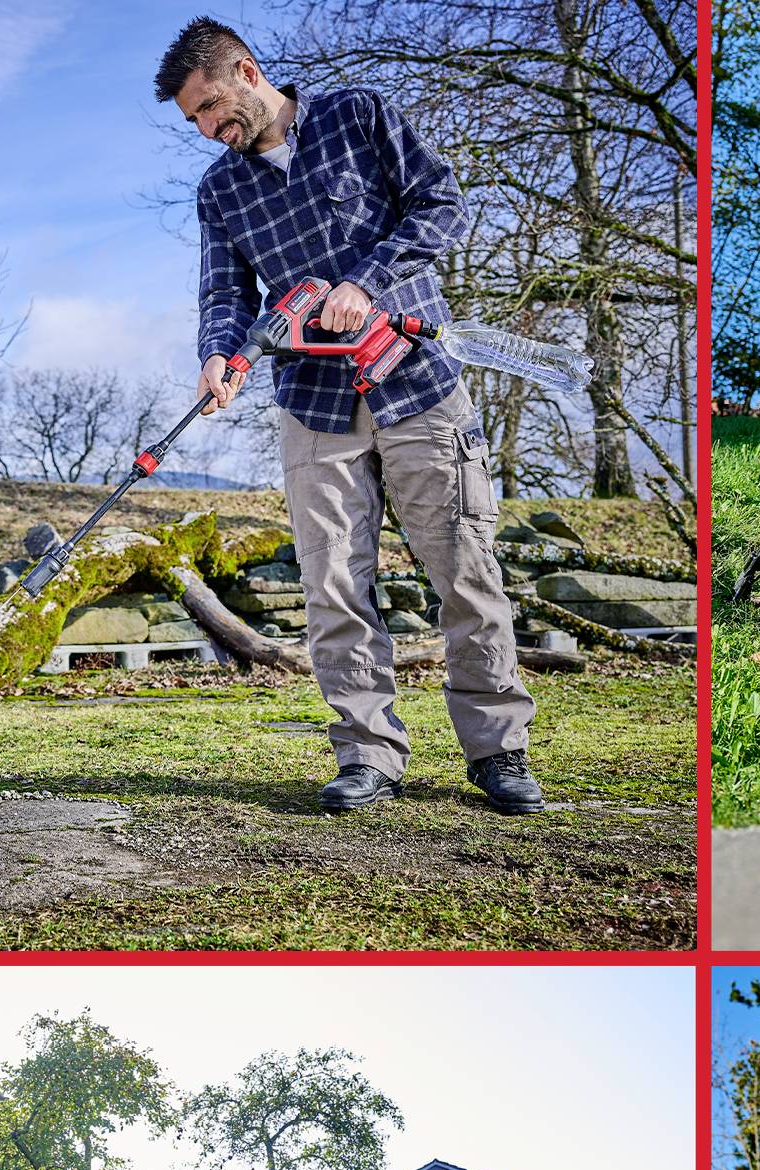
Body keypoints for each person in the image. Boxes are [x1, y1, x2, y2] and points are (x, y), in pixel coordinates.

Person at [156, 15, 546, 817]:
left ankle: (498, 752)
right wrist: (219, 353)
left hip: (418, 383)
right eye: (194, 121)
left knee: (465, 568)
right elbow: (226, 293)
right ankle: (367, 754)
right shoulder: (220, 189)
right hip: (313, 404)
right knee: (332, 582)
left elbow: (440, 204)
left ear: (245, 70)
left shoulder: (358, 116)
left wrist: (364, 281)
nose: (207, 130)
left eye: (209, 107)